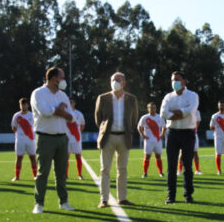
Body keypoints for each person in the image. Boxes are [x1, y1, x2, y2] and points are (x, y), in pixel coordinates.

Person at [30, 67, 74, 213]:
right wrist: (60, 110)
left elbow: (72, 117)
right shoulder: (38, 93)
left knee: (61, 173)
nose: (64, 80)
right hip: (45, 137)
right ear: (54, 78)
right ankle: (39, 203)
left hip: (62, 137)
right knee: (43, 172)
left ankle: (64, 201)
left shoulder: (63, 95)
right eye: (62, 77)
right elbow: (45, 112)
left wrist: (60, 111)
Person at [95, 72, 139, 209]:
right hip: (107, 137)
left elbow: (134, 119)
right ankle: (104, 199)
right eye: (113, 80)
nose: (114, 82)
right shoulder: (102, 98)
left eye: (118, 80)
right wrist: (105, 129)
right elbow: (98, 118)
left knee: (122, 169)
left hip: (124, 137)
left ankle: (122, 198)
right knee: (105, 169)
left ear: (124, 83)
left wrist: (127, 130)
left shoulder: (131, 99)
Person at [160, 71, 199, 204]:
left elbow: (190, 110)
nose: (174, 82)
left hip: (187, 133)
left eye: (177, 79)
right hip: (172, 133)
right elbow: (163, 113)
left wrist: (175, 113)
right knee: (171, 166)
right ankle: (171, 196)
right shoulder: (168, 97)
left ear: (184, 81)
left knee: (187, 166)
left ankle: (188, 195)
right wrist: (180, 113)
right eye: (172, 80)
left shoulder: (193, 95)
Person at [11, 98, 37, 181]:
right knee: (19, 157)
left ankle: (35, 176)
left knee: (32, 157)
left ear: (28, 105)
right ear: (20, 105)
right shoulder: (17, 115)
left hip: (31, 139)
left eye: (25, 104)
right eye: (22, 104)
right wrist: (20, 134)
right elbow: (14, 127)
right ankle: (17, 176)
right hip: (20, 140)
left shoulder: (32, 115)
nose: (24, 105)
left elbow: (36, 126)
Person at [137, 102, 165, 178]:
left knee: (158, 156)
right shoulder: (144, 117)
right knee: (147, 156)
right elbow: (139, 127)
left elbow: (164, 127)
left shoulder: (160, 117)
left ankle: (160, 173)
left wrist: (162, 134)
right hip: (148, 141)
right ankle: (145, 173)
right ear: (148, 109)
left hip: (157, 140)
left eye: (154, 108)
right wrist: (142, 135)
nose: (152, 109)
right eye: (151, 108)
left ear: (156, 108)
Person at [177, 109, 203, 175]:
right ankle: (179, 170)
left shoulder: (197, 111)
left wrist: (191, 130)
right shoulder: (182, 110)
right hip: (183, 134)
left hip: (194, 134)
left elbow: (197, 123)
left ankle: (197, 170)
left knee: (195, 152)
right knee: (182, 152)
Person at [210, 101, 224, 175]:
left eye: (222, 105)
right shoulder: (215, 116)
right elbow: (211, 126)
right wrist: (217, 132)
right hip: (218, 137)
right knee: (218, 153)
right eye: (219, 105)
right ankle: (219, 170)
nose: (221, 106)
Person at [66, 99, 85, 179]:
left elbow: (82, 124)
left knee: (78, 156)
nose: (70, 103)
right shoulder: (65, 113)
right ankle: (65, 175)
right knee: (66, 157)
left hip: (76, 138)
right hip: (67, 139)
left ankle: (79, 174)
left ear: (74, 103)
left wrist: (77, 133)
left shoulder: (78, 114)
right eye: (69, 102)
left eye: (72, 102)